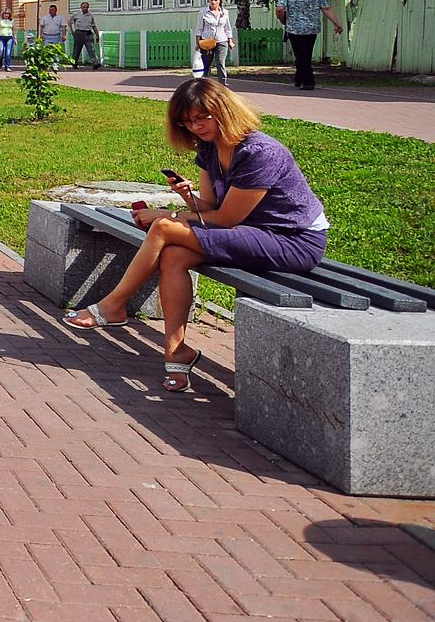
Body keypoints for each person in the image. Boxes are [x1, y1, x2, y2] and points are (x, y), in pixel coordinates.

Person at [65, 79, 330, 392]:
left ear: (224, 110)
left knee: (164, 228)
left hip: (293, 240)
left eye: (202, 117)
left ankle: (113, 307)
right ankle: (177, 353)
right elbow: (212, 208)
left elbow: (228, 218)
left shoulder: (260, 152)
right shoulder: (210, 148)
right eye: (187, 120)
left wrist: (168, 215)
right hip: (251, 232)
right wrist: (187, 197)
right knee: (174, 255)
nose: (195, 126)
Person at [275, 0, 343, 91]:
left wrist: (283, 21)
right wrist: (336, 23)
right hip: (312, 29)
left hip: (294, 29)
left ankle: (308, 81)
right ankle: (299, 79)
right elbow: (326, 9)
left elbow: (280, 9)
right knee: (305, 54)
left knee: (301, 55)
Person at [194, 0, 235, 83]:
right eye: (211, 0)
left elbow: (227, 28)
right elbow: (199, 28)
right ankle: (205, 84)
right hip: (207, 41)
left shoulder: (224, 12)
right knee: (207, 64)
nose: (213, 2)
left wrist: (230, 41)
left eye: (215, 0)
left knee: (220, 63)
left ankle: (222, 84)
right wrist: (198, 43)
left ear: (219, 1)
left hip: (221, 40)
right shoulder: (203, 12)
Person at [67, 2, 100, 70]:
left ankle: (95, 63)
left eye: (86, 7)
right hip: (79, 33)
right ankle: (74, 63)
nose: (85, 8)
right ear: (81, 7)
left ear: (88, 8)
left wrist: (97, 35)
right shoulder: (77, 15)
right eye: (83, 7)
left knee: (91, 49)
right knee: (77, 50)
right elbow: (70, 21)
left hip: (88, 33)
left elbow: (93, 26)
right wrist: (72, 30)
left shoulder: (90, 15)